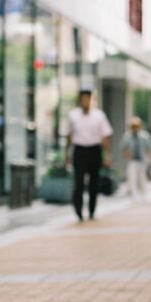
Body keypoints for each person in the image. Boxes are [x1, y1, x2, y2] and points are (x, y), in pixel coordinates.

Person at [65, 88, 113, 221]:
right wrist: (67, 153)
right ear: (79, 100)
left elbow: (105, 137)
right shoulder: (73, 115)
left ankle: (92, 210)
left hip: (94, 150)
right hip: (79, 150)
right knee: (79, 182)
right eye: (83, 99)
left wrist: (107, 155)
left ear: (91, 100)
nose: (85, 102)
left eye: (87, 99)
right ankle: (78, 210)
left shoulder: (99, 115)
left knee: (94, 183)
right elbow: (69, 136)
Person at [120, 116, 151, 200]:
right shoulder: (127, 136)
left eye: (136, 126)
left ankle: (143, 193)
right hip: (132, 160)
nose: (135, 128)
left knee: (142, 177)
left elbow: (149, 148)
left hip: (142, 160)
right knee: (132, 177)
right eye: (133, 126)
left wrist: (149, 159)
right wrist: (128, 155)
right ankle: (133, 194)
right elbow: (123, 148)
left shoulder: (145, 136)